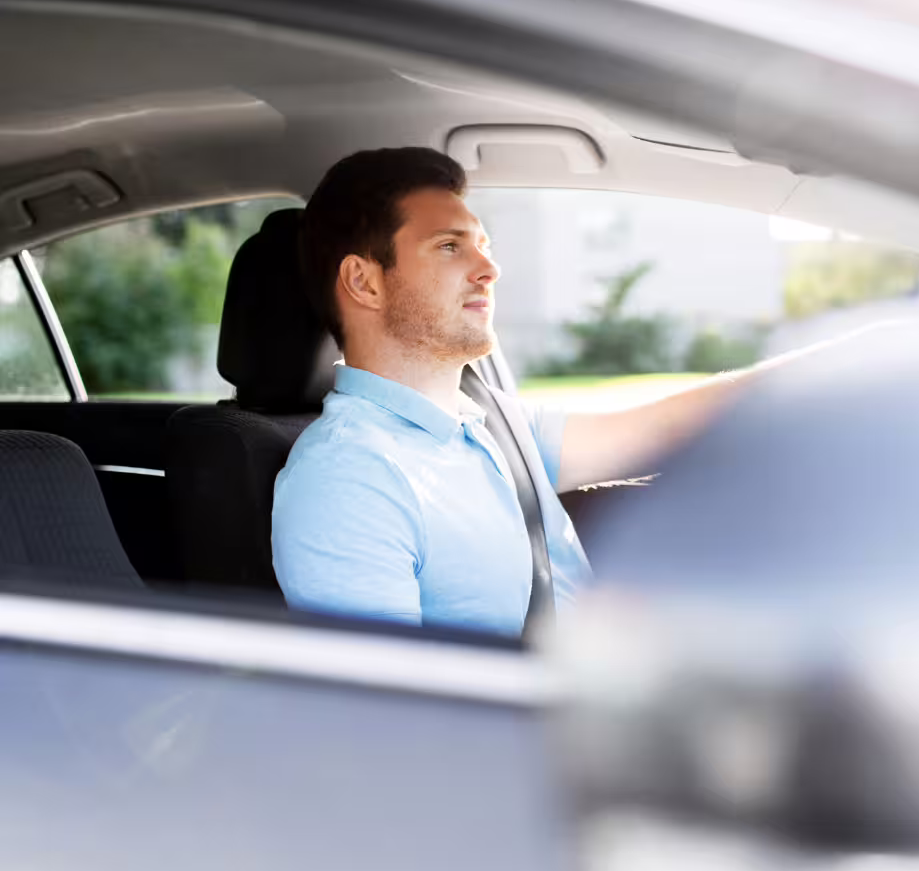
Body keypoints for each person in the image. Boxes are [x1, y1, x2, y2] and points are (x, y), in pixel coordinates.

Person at [272, 147, 779, 636]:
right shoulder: (349, 478)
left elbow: (678, 425)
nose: (489, 270)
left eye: (483, 246)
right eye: (450, 246)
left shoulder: (497, 426)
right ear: (364, 282)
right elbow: (390, 713)